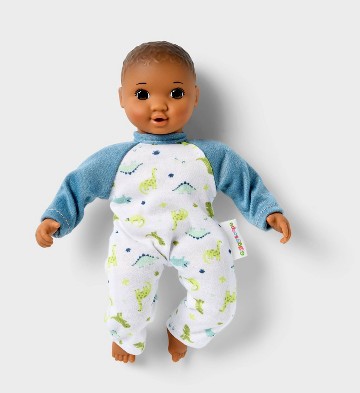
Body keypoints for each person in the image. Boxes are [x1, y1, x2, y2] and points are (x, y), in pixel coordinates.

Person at [35, 41, 291, 363]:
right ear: (122, 98)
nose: (159, 106)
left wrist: (266, 211)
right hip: (135, 240)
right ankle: (125, 335)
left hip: (198, 237)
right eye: (142, 94)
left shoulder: (211, 155)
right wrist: (57, 217)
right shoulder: (115, 159)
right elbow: (78, 184)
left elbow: (245, 182)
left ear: (195, 96)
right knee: (126, 299)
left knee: (219, 301)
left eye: (176, 93)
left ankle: (184, 330)